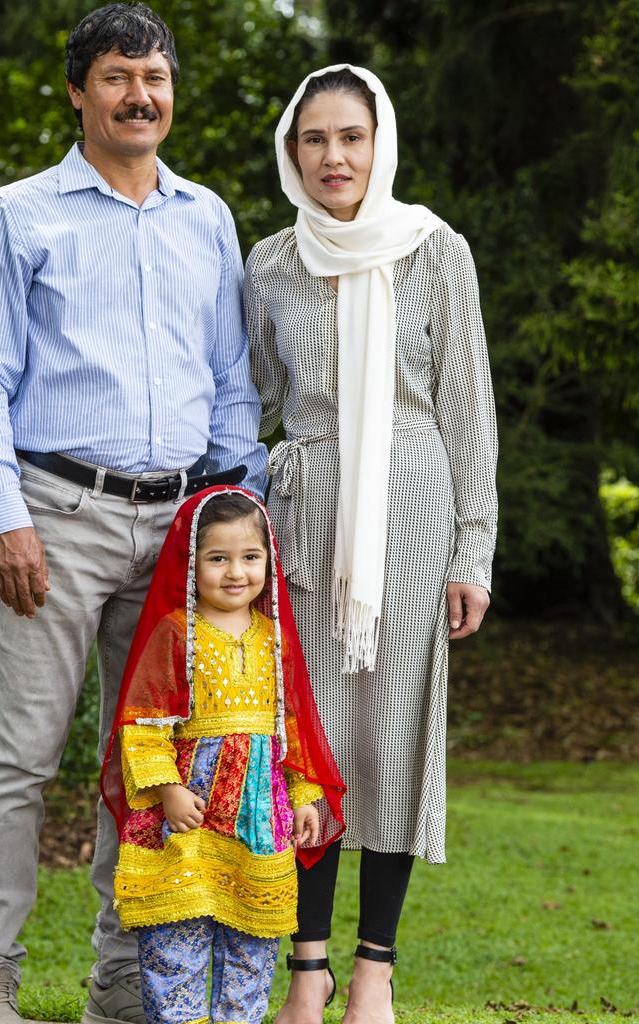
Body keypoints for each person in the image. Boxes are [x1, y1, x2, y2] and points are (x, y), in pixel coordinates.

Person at [0, 5, 268, 1024]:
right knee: (24, 757)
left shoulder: (205, 217)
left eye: (156, 77)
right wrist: (4, 516)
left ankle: (124, 981)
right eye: (120, 76)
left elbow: (227, 376)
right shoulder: (21, 215)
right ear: (80, 90)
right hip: (56, 516)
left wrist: (236, 506)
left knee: (148, 759)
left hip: (178, 530)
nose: (141, 95)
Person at [244, 65, 498, 1024]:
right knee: (307, 741)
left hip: (413, 513)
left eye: (351, 137)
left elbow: (469, 410)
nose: (334, 157)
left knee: (391, 739)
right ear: (291, 151)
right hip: (304, 518)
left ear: (379, 142)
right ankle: (305, 967)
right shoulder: (269, 261)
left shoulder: (437, 250)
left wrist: (473, 549)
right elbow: (255, 399)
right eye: (315, 140)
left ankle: (373, 973)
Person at [100, 487, 345, 1024]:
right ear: (191, 564)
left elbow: (293, 726)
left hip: (259, 816)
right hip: (188, 810)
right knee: (175, 938)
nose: (236, 572)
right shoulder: (175, 635)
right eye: (218, 558)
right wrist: (166, 790)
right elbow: (142, 725)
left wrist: (304, 796)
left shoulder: (275, 638)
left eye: (250, 557)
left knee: (250, 947)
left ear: (268, 560)